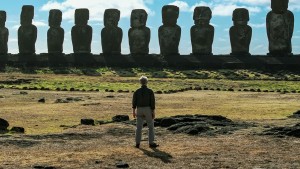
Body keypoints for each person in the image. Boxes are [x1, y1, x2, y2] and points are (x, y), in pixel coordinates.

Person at [132, 76, 158, 148]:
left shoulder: (137, 91)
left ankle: (137, 143)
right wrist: (153, 111)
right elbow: (152, 102)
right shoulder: (150, 91)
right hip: (148, 109)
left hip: (139, 109)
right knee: (150, 126)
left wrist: (134, 111)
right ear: (147, 82)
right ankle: (151, 142)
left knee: (139, 127)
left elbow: (134, 102)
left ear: (140, 82)